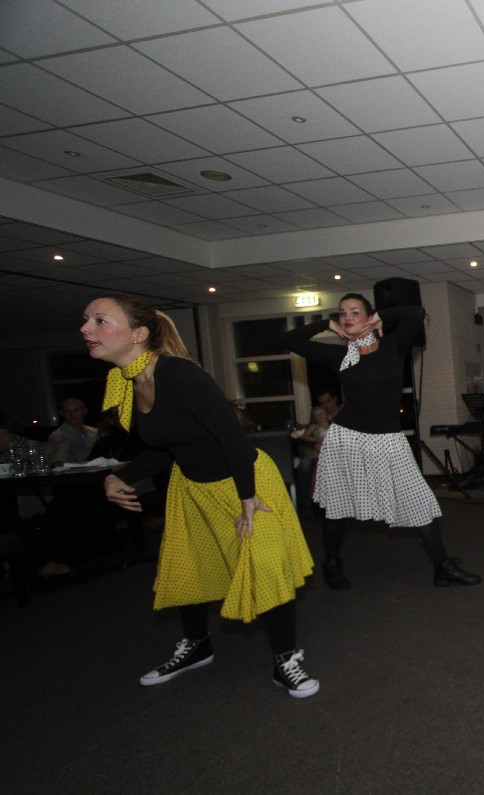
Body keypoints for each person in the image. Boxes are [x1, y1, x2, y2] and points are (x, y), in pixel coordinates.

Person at [84, 294, 318, 698]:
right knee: (189, 566)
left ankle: (285, 660)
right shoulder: (128, 381)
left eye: (100, 321)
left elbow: (231, 437)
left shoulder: (178, 374)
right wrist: (119, 476)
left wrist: (247, 497)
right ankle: (196, 646)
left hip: (245, 481)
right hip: (192, 487)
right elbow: (167, 446)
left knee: (265, 564)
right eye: (87, 320)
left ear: (138, 334)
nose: (86, 329)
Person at [282, 293, 480, 591]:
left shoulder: (392, 346)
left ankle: (443, 567)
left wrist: (381, 317)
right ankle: (331, 564)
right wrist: (326, 324)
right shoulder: (339, 356)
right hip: (347, 440)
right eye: (342, 313)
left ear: (368, 316)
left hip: (388, 441)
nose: (347, 317)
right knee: (338, 506)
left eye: (355, 311)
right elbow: (289, 340)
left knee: (418, 500)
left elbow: (416, 312)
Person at [294, 405, 330, 516]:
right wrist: (316, 440)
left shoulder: (333, 426)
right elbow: (305, 437)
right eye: (317, 415)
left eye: (322, 414)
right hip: (317, 455)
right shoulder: (315, 427)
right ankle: (309, 503)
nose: (320, 416)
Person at [47, 397, 98, 464]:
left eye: (76, 410)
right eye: (67, 411)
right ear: (62, 413)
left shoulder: (95, 432)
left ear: (85, 411)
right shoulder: (57, 436)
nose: (72, 415)